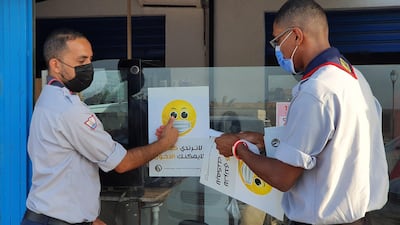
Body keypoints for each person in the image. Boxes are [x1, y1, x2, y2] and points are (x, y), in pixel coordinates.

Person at [215, 0, 389, 225]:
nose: (278, 51)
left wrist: (238, 149)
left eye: (278, 41)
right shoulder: (353, 77)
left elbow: (282, 177)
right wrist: (264, 141)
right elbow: (329, 147)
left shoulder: (317, 90)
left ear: (296, 36)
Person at [21, 29, 179, 225]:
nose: (88, 67)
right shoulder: (68, 110)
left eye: (90, 60)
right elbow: (122, 163)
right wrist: (165, 143)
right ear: (55, 64)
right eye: (81, 61)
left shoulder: (49, 99)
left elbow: (65, 167)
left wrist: (88, 218)